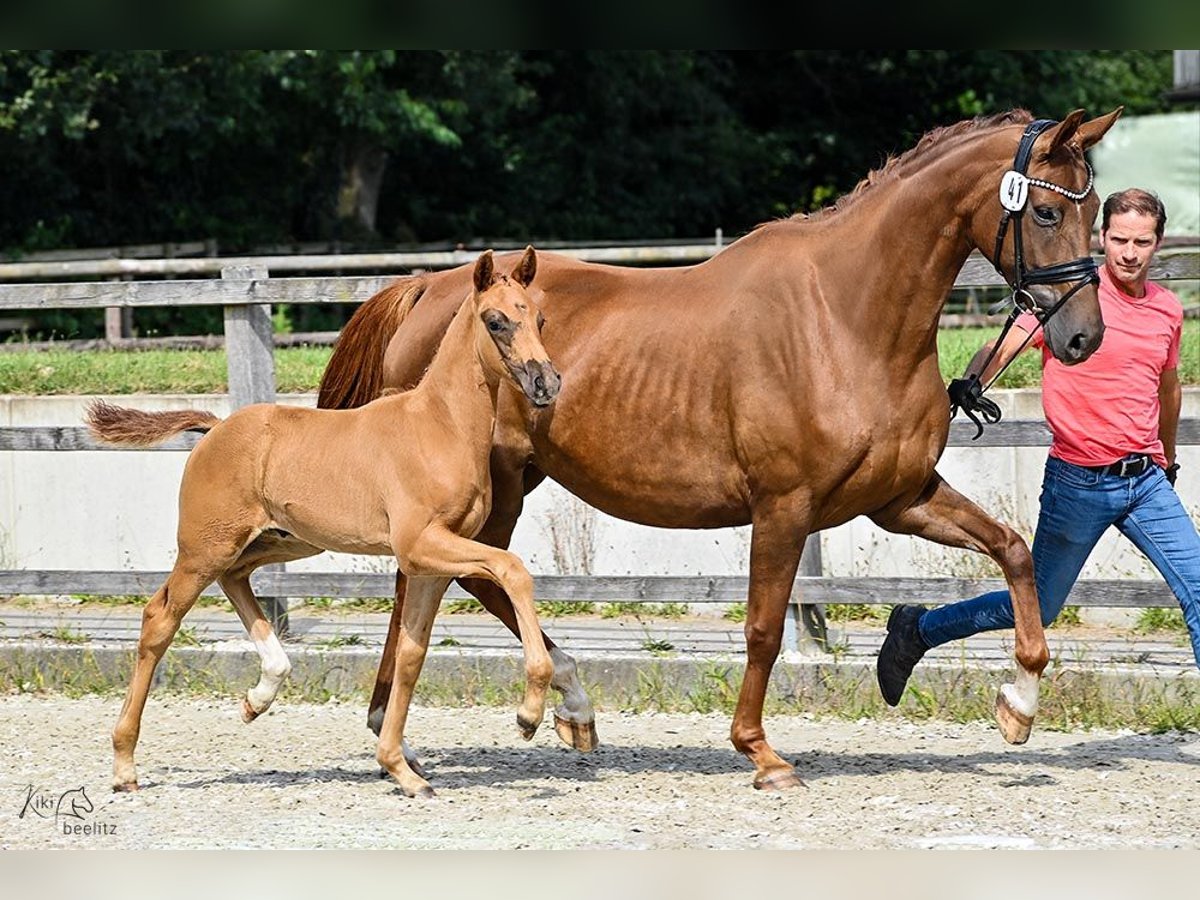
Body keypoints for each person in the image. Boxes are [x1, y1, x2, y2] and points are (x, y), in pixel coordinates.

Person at [877, 187, 1200, 705]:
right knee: (1039, 609)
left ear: (1157, 243)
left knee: (1199, 589)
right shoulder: (1068, 294)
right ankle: (919, 630)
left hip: (1145, 482)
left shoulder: (1166, 310)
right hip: (1079, 483)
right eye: (1119, 239)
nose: (1129, 253)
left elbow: (1168, 388)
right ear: (1101, 237)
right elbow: (1004, 342)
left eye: (1142, 241)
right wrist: (972, 379)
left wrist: (1169, 458)